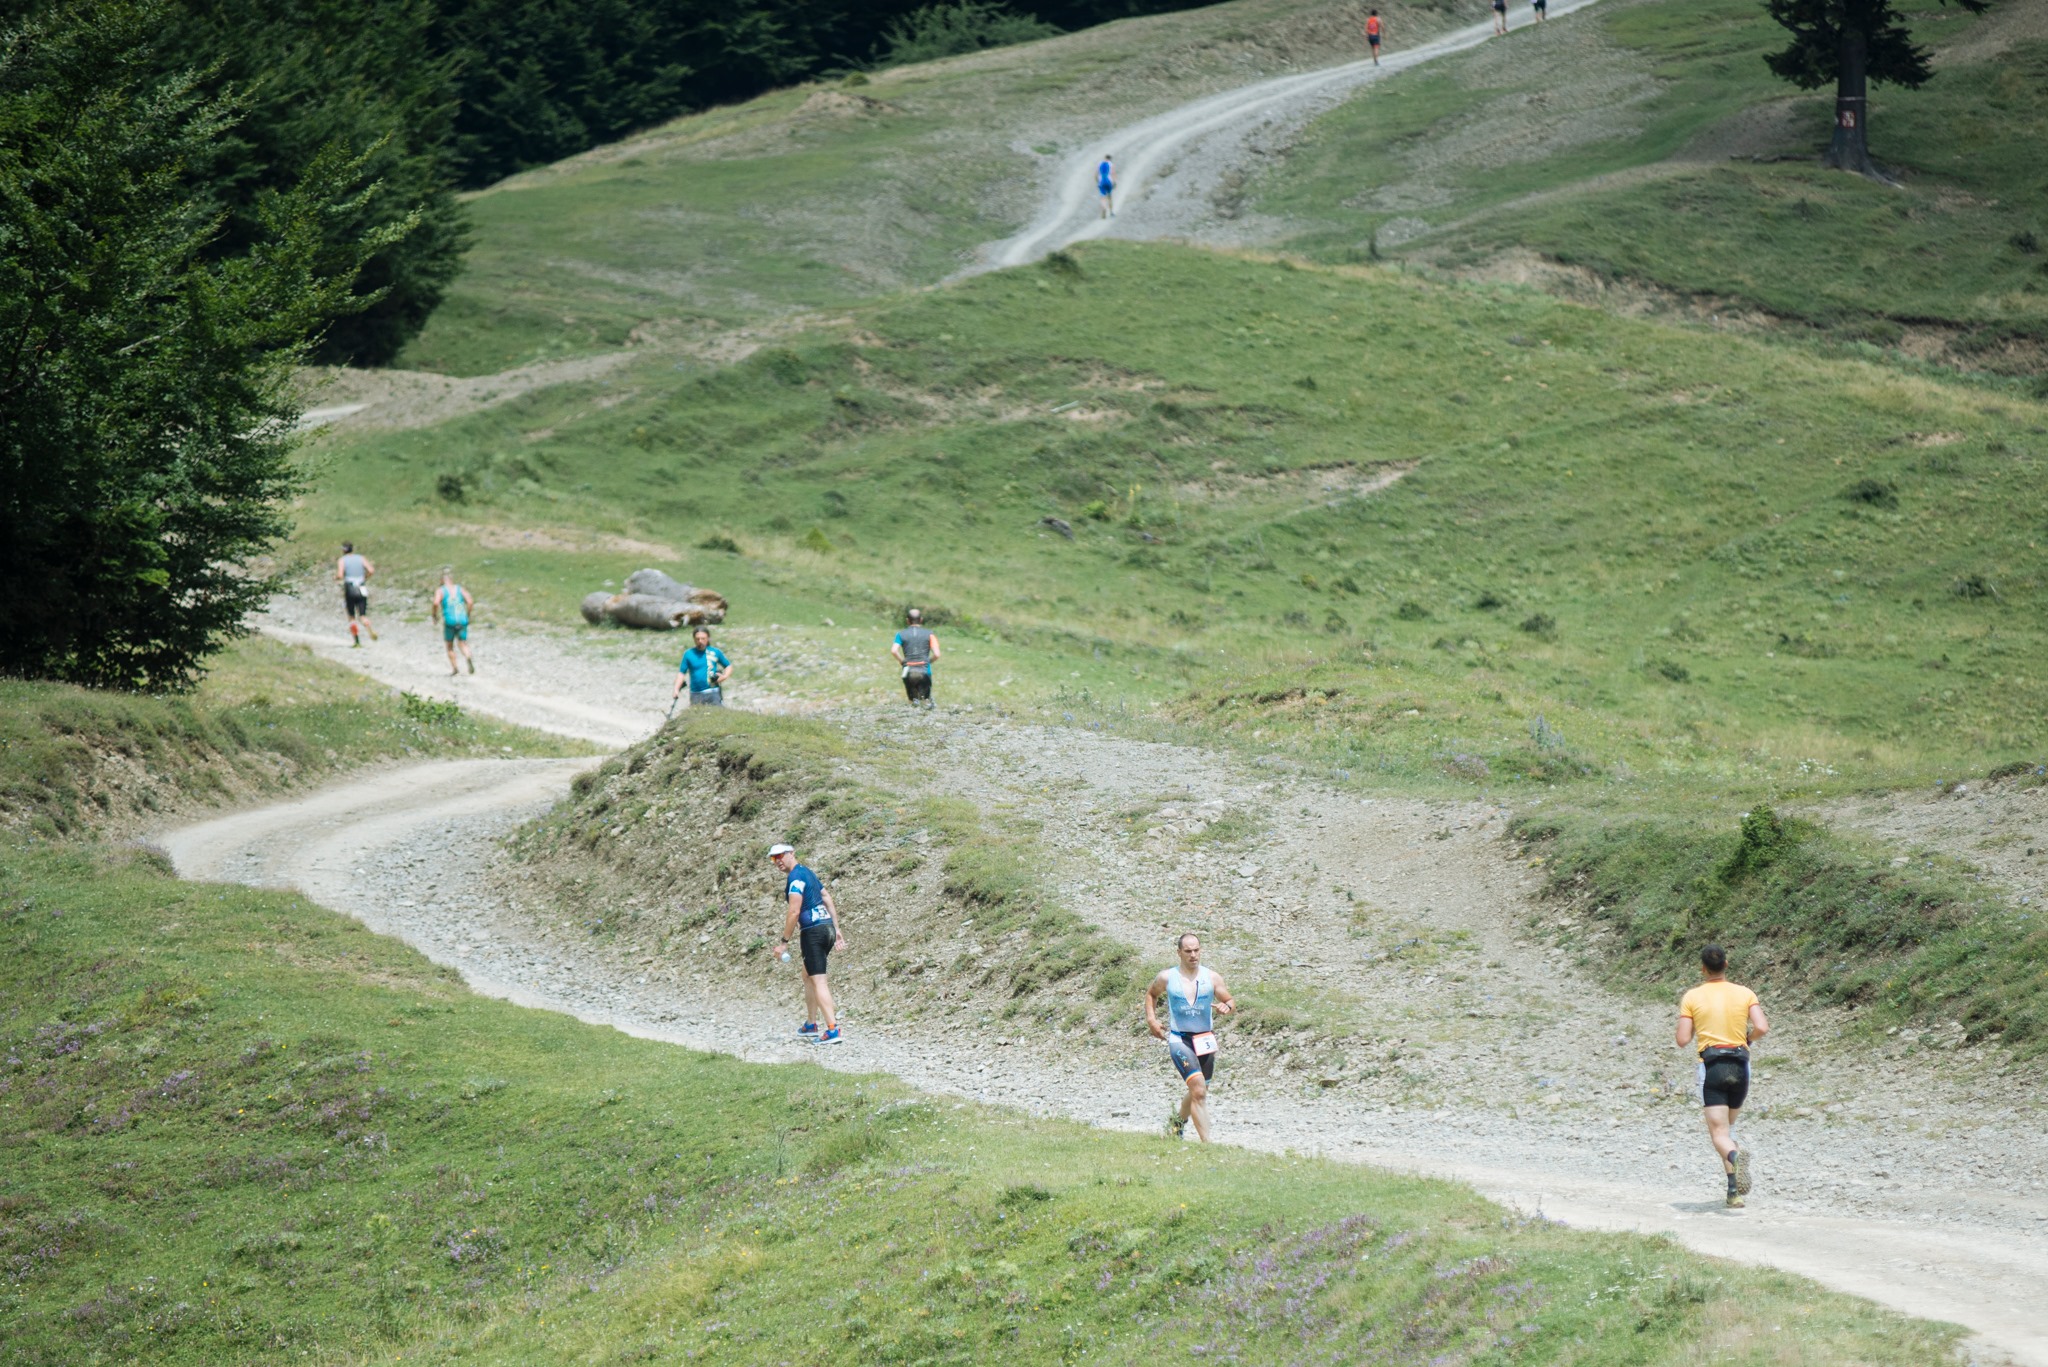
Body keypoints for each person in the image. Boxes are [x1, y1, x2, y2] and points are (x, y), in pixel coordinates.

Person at [1676, 943, 1769, 1208]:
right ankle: (1733, 1193)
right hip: (1741, 1065)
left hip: (1712, 1066)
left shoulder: (1692, 997)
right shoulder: (1745, 993)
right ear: (1726, 965)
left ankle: (1735, 1155)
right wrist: (1747, 1039)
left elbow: (1683, 1039)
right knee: (1727, 1130)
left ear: (1703, 969)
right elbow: (1762, 1026)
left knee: (1719, 1133)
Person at [1144, 933, 1235, 1142]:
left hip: (1205, 1040)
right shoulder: (1167, 977)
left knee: (1199, 1090)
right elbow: (1151, 994)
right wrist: (1152, 1020)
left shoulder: (1211, 977)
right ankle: (1207, 1146)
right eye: (1188, 951)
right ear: (1179, 953)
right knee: (1198, 1091)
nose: (1193, 955)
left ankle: (1176, 1124)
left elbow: (1230, 1000)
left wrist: (1226, 1007)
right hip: (1179, 1040)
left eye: (1196, 950)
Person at [770, 843, 844, 1045]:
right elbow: (826, 897)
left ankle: (832, 1029)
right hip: (826, 928)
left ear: (792, 853)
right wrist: (836, 929)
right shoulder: (808, 873)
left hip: (813, 931)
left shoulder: (795, 878)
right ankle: (811, 1024)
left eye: (780, 856)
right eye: (773, 859)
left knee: (819, 980)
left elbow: (794, 912)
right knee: (807, 974)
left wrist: (784, 943)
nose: (777, 862)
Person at [890, 608, 941, 708]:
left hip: (908, 670)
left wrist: (902, 662)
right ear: (921, 620)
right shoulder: (930, 634)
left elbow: (894, 651)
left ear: (907, 621)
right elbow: (937, 654)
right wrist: (928, 662)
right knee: (926, 700)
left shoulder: (900, 634)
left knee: (913, 701)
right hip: (924, 669)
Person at [674, 626, 733, 708]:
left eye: (703, 638)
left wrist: (724, 676)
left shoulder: (715, 652)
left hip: (713, 692)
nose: (700, 641)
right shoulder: (688, 654)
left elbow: (728, 666)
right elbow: (681, 673)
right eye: (697, 639)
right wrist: (676, 689)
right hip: (696, 693)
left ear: (708, 638)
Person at [432, 568, 475, 676]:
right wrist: (468, 614)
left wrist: (434, 615)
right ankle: (468, 655)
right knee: (462, 642)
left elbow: (436, 603)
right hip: (462, 619)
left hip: (449, 620)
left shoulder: (441, 590)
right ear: (451, 580)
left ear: (442, 580)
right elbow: (470, 601)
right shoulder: (459, 589)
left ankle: (455, 668)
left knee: (450, 645)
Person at [335, 542, 377, 646]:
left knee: (351, 616)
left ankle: (357, 640)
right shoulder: (361, 558)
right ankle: (367, 625)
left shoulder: (342, 560)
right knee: (362, 615)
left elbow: (340, 575)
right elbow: (371, 570)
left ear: (343, 550)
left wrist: (335, 578)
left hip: (350, 588)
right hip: (361, 586)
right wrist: (364, 577)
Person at [1097, 154, 1116, 219]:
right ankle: (1111, 212)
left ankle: (1104, 209)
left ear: (1104, 158)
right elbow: (1113, 174)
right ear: (1110, 159)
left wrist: (1098, 183)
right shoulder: (1111, 164)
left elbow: (1095, 175)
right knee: (1110, 197)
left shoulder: (1099, 164)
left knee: (1103, 198)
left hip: (1101, 182)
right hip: (1109, 182)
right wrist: (1114, 183)